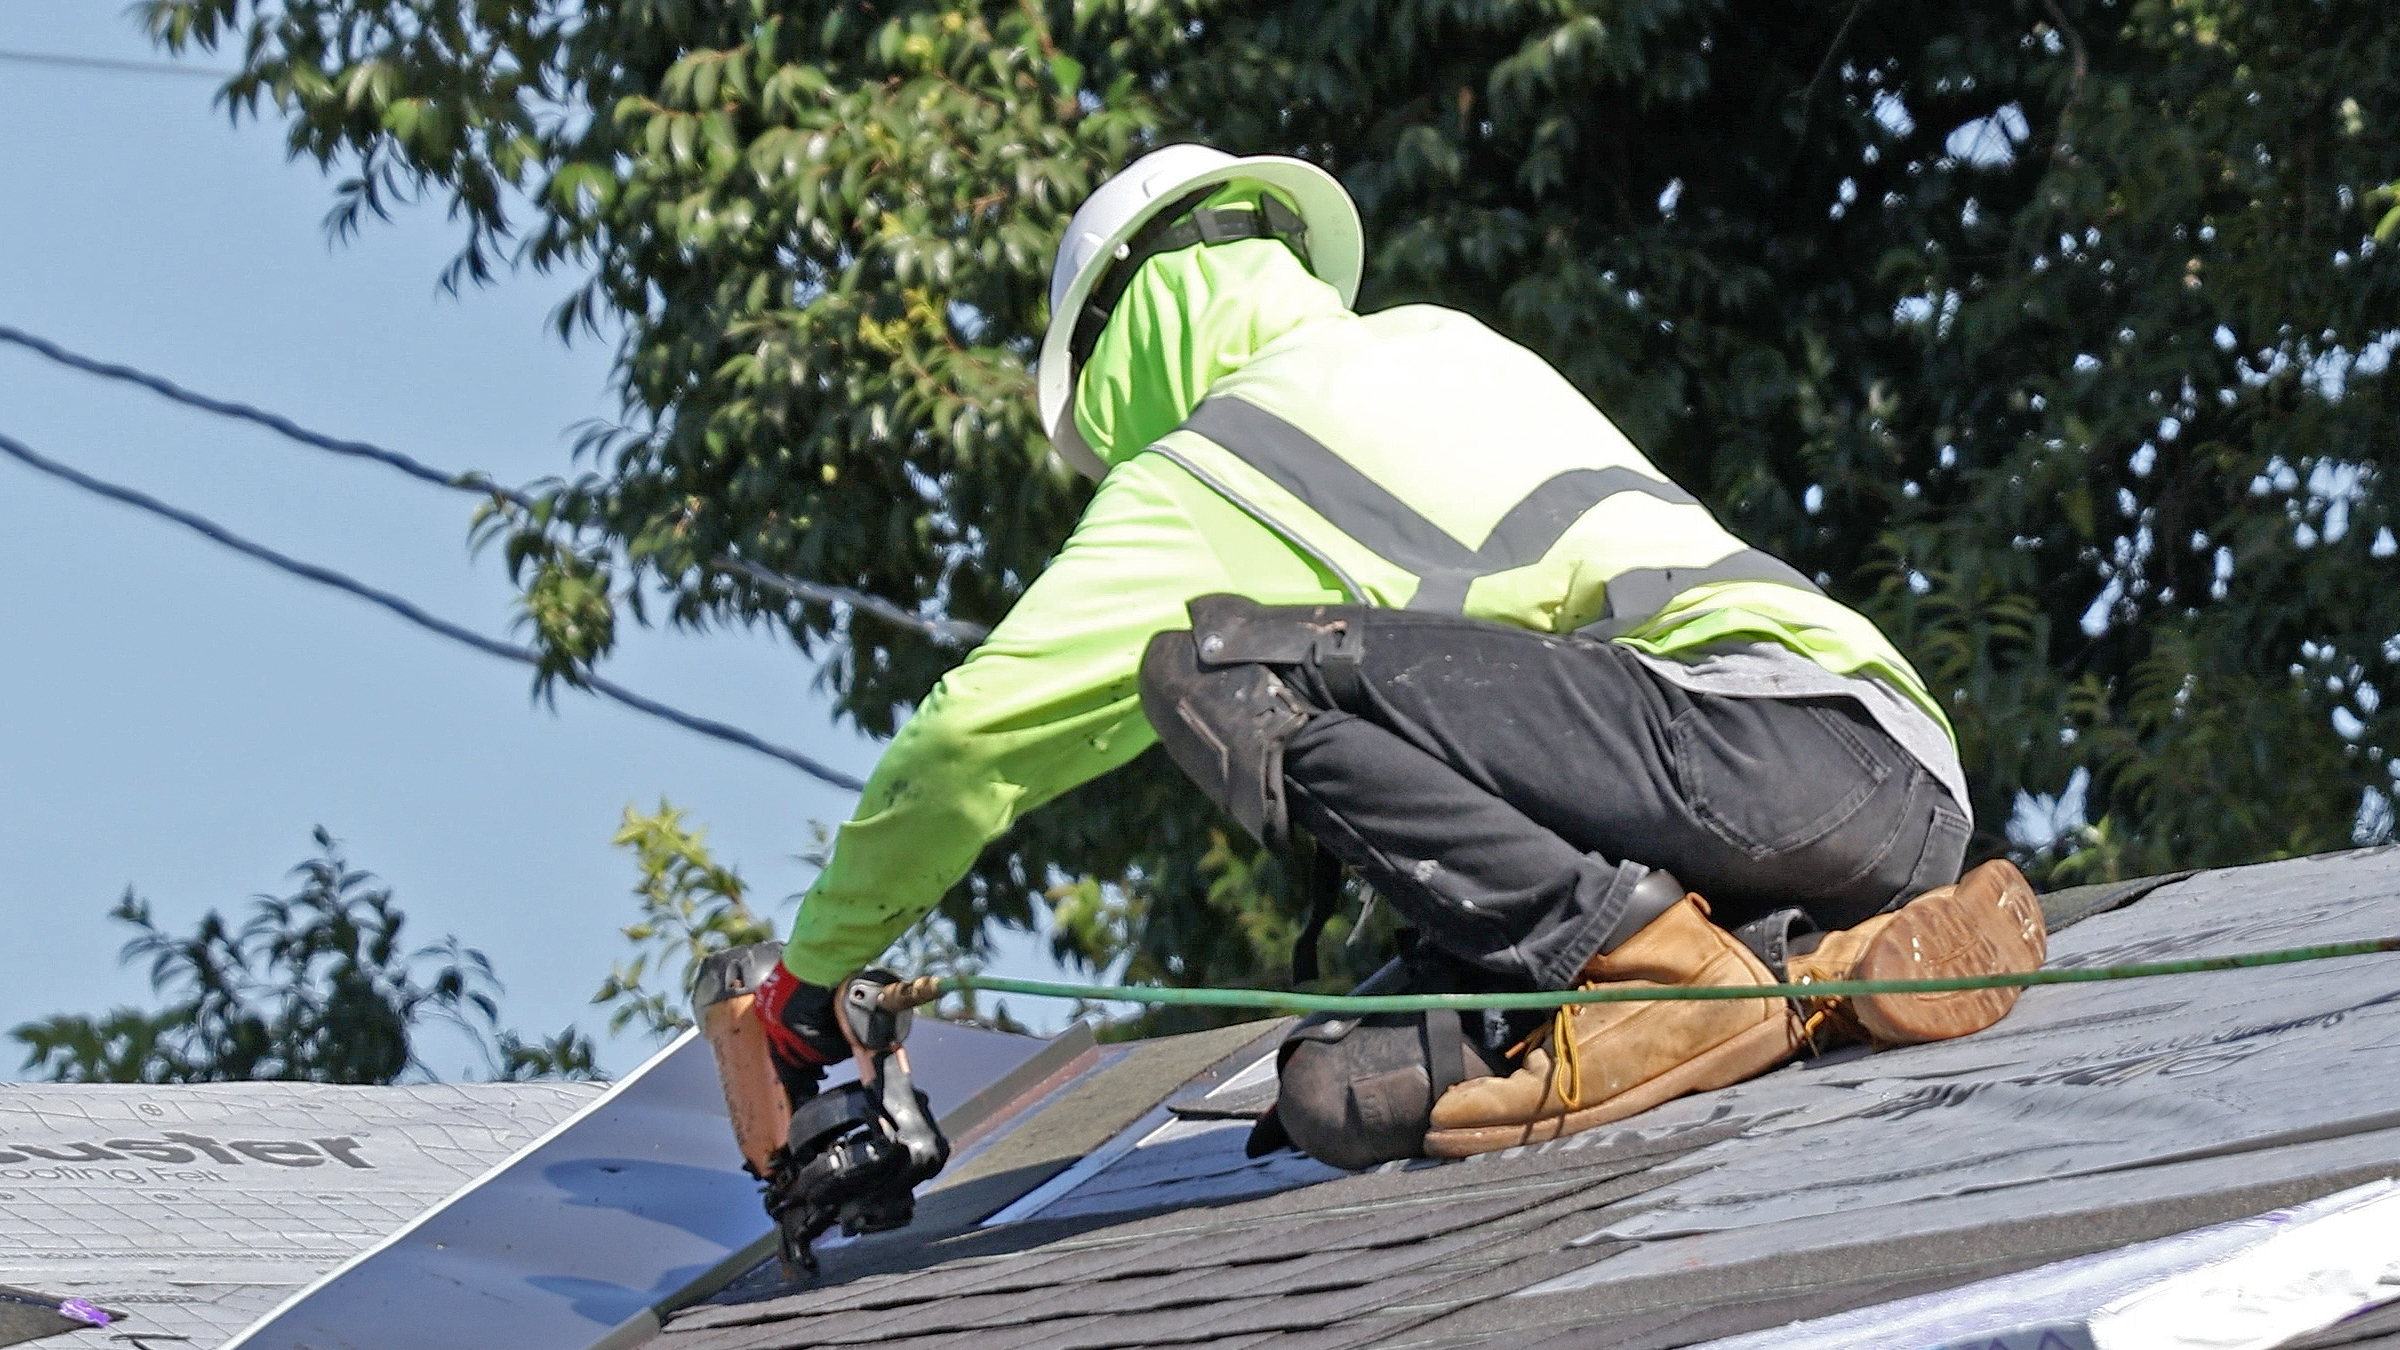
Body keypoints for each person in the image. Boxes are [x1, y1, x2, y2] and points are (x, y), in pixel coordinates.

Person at [750, 144, 2045, 1169]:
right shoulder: (1440, 338)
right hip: (1873, 796)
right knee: (1340, 1084)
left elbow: (970, 745)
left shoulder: (1210, 470)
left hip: (1760, 745)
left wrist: (804, 987)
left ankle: (1661, 973)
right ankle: (1812, 978)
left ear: (1117, 353)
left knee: (1202, 669)